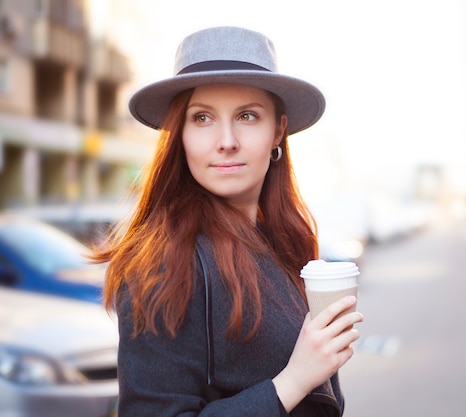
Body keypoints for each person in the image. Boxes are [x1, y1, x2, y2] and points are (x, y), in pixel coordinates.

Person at [93, 26, 364, 417]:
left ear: (278, 131)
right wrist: (293, 381)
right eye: (202, 118)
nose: (226, 140)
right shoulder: (164, 263)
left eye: (248, 116)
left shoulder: (283, 242)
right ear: (179, 134)